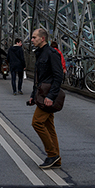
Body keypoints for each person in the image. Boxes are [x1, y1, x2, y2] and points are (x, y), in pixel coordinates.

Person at [27, 27, 64, 169]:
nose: (32, 40)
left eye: (34, 37)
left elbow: (58, 76)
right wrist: (33, 96)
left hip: (47, 95)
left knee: (36, 122)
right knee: (49, 126)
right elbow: (39, 78)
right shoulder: (40, 53)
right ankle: (57, 158)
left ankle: (52, 155)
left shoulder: (51, 53)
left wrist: (51, 96)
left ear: (43, 38)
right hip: (41, 94)